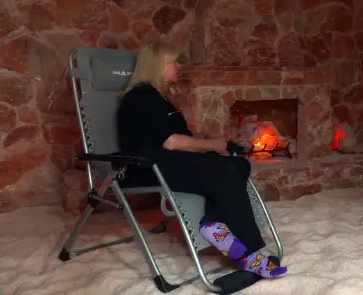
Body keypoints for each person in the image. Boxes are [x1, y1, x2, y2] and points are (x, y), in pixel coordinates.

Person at [116, 42, 287, 278]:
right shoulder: (140, 97)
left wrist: (211, 142)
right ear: (157, 65)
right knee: (226, 169)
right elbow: (170, 141)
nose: (179, 66)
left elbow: (177, 137)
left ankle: (213, 224)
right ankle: (251, 255)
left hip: (169, 161)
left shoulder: (158, 98)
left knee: (239, 163)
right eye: (173, 61)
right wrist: (213, 145)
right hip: (146, 167)